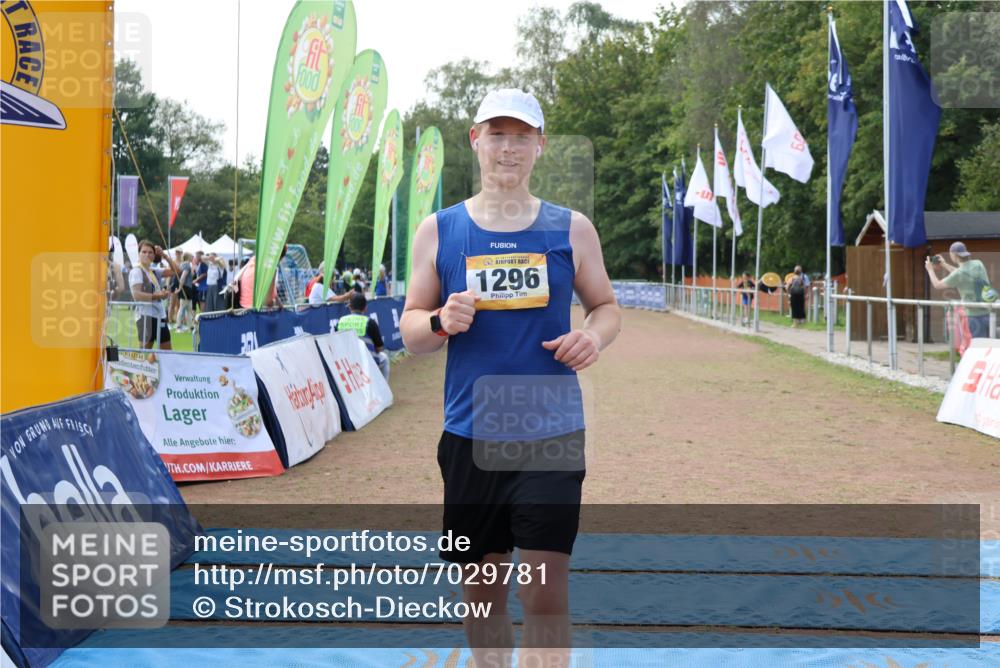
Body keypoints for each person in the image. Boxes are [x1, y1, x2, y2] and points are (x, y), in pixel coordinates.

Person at [400, 88, 620, 668]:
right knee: (482, 596)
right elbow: (410, 334)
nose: (508, 148)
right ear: (475, 140)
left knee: (546, 595)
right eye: (497, 134)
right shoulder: (438, 231)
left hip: (550, 434)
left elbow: (606, 307)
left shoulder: (572, 229)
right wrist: (440, 321)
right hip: (470, 437)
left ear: (540, 146)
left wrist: (592, 336)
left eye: (522, 136)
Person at [926, 242, 996, 339]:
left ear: (954, 255)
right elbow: (963, 274)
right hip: (988, 312)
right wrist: (944, 264)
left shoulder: (959, 274)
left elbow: (937, 285)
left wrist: (930, 269)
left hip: (974, 315)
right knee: (989, 347)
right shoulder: (978, 263)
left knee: (978, 348)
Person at [129, 240, 182, 349]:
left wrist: (164, 256)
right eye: (143, 252)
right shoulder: (137, 271)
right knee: (144, 355)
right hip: (145, 316)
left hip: (159, 315)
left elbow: (176, 271)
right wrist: (159, 296)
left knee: (167, 353)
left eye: (150, 252)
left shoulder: (153, 271)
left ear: (154, 256)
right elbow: (136, 295)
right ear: (139, 254)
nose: (147, 255)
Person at [337, 293, 389, 380]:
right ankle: (384, 390)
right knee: (385, 358)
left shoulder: (341, 321)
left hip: (345, 362)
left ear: (350, 307)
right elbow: (379, 348)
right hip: (367, 363)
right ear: (365, 308)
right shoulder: (370, 322)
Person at [176, 252, 195, 332]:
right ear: (188, 257)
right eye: (191, 256)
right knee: (183, 307)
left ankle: (190, 327)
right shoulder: (187, 265)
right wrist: (180, 288)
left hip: (186, 287)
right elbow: (183, 277)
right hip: (185, 288)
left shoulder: (183, 264)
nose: (193, 257)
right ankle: (179, 327)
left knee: (188, 308)